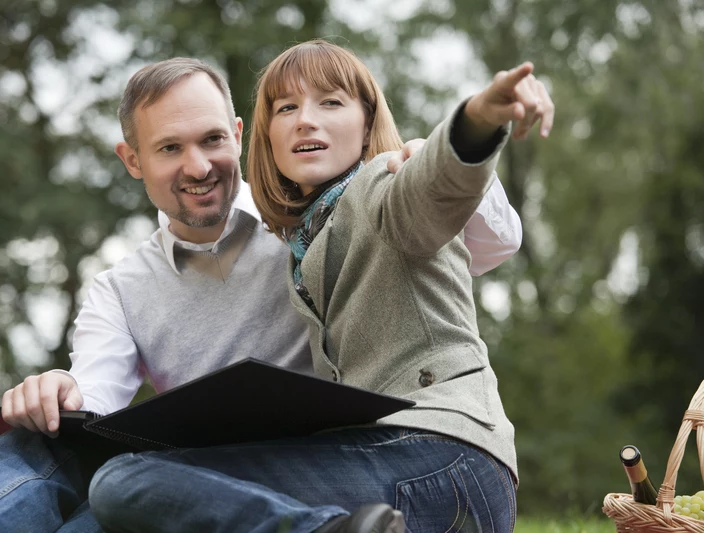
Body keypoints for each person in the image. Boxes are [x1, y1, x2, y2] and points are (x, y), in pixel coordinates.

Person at [0, 52, 535, 533]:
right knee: (64, 459)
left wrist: (454, 137)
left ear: (236, 134)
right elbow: (95, 407)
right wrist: (59, 394)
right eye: (170, 149)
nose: (199, 167)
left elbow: (449, 224)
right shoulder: (121, 288)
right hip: (205, 483)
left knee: (126, 487)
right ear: (132, 159)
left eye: (211, 141)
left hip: (365, 458)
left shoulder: (310, 220)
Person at [84, 41, 553, 533]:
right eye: (286, 108)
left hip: (442, 457)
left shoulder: (381, 184)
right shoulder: (305, 236)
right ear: (266, 137)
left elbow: (433, 189)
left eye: (331, 102)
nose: (306, 120)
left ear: (368, 122)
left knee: (126, 481)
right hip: (407, 473)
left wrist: (479, 118)